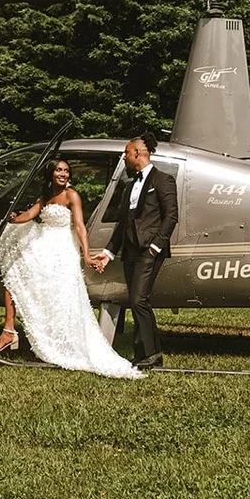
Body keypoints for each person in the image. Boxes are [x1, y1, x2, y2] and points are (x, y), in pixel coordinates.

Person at [0, 159, 143, 379]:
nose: (63, 174)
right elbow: (29, 216)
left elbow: (79, 226)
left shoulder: (71, 195)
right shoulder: (45, 196)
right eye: (59, 170)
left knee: (55, 295)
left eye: (66, 171)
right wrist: (12, 219)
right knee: (14, 272)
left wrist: (86, 255)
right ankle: (9, 330)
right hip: (43, 243)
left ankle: (31, 337)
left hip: (60, 248)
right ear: (51, 173)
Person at [92, 133, 179, 369]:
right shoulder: (130, 186)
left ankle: (152, 354)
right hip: (130, 251)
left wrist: (155, 246)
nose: (124, 156)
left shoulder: (163, 180)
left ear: (138, 153)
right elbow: (123, 224)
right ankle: (144, 355)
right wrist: (109, 253)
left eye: (126, 152)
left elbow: (171, 216)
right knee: (137, 300)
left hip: (149, 250)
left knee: (139, 299)